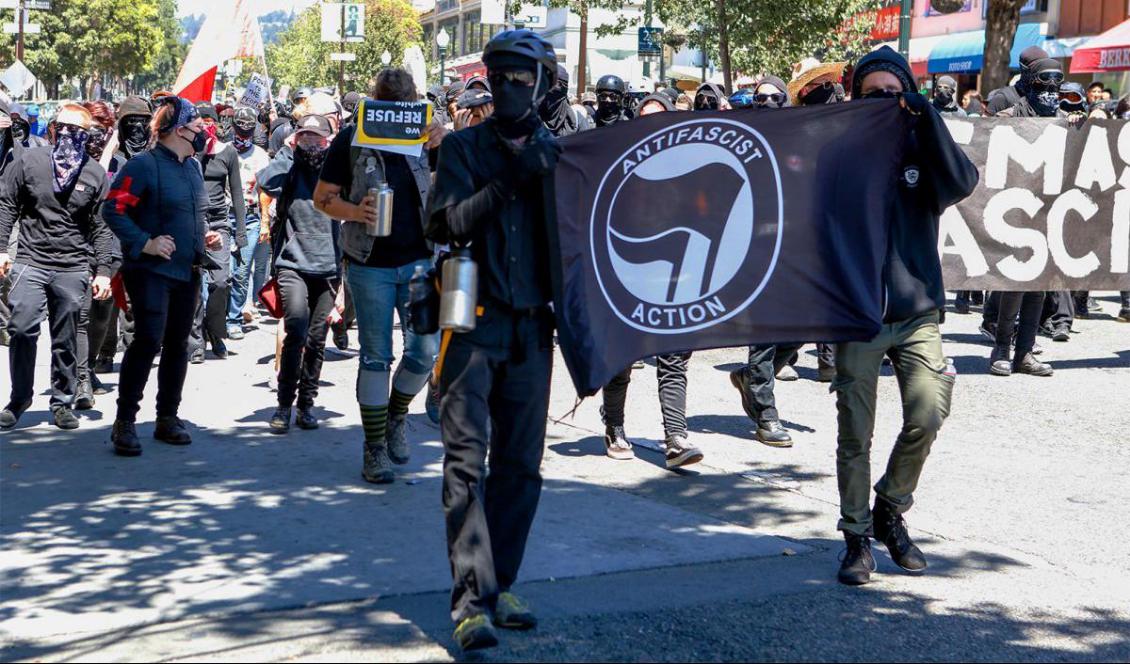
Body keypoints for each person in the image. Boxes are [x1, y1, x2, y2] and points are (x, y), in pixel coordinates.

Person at [426, 29, 561, 651]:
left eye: (522, 78)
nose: (510, 88)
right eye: (500, 76)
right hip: (473, 323)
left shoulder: (561, 154)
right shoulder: (462, 148)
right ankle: (471, 601)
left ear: (542, 82)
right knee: (465, 464)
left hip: (533, 329)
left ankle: (501, 583)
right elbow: (444, 220)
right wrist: (509, 179)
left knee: (521, 468)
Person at [834, 46, 978, 586]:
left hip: (917, 313)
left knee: (928, 413)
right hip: (858, 316)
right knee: (856, 432)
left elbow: (963, 182)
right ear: (855, 100)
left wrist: (927, 114)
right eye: (873, 96)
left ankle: (889, 510)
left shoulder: (924, 146)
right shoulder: (840, 154)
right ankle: (855, 540)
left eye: (895, 94)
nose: (886, 104)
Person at [312, 68, 443, 484]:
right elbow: (322, 199)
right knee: (375, 356)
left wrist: (445, 139)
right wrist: (356, 212)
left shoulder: (425, 135)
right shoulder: (352, 137)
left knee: (425, 351)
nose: (397, 114)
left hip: (420, 259)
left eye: (403, 107)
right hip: (369, 262)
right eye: (389, 106)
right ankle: (374, 448)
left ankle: (396, 415)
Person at [102, 96, 224, 457]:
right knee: (148, 340)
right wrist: (146, 243)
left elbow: (190, 215)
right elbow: (114, 209)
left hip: (188, 270)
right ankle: (125, 421)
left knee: (179, 344)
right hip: (150, 271)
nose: (203, 131)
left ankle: (167, 417)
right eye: (197, 126)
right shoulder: (142, 166)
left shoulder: (193, 167)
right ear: (177, 129)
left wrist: (204, 237)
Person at [0, 105, 114, 430]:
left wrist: (103, 269)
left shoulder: (93, 174)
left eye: (77, 131)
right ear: (52, 129)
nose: (68, 136)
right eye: (62, 128)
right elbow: (7, 203)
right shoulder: (29, 163)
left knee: (65, 336)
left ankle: (62, 402)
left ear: (87, 137)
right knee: (21, 328)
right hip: (30, 261)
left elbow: (101, 226)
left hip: (72, 266)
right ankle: (19, 399)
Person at [259, 114, 341, 432]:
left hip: (329, 264)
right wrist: (288, 151)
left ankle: (307, 404)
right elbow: (267, 182)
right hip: (291, 262)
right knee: (296, 329)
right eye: (304, 136)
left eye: (316, 137)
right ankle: (283, 405)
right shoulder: (289, 164)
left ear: (328, 140)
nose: (310, 142)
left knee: (317, 339)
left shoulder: (337, 167)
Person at [74, 100, 123, 406]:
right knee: (76, 314)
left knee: (103, 315)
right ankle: (77, 374)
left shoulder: (119, 163)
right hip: (74, 248)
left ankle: (89, 364)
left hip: (110, 246)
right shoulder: (68, 159)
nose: (95, 137)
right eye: (89, 130)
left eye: (102, 131)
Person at [189, 102, 246, 362]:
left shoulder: (228, 153)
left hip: (220, 223)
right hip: (192, 222)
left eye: (209, 122)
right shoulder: (189, 151)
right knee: (194, 287)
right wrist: (199, 150)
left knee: (221, 282)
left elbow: (236, 194)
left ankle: (216, 332)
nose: (206, 127)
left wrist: (241, 233)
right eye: (201, 123)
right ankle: (196, 340)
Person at [227, 106, 271, 339]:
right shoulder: (222, 151)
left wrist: (265, 221)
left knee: (243, 271)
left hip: (251, 218)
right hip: (224, 216)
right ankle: (216, 317)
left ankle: (234, 318)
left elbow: (265, 191)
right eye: (239, 126)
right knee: (224, 272)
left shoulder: (261, 156)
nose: (243, 131)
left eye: (248, 127)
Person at [986, 46, 1048, 115]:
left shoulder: (1050, 99)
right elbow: (985, 124)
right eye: (1037, 69)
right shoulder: (1003, 98)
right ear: (1024, 70)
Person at [538, 64, 590, 137]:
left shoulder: (577, 121)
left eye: (554, 84)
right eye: (544, 83)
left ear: (564, 88)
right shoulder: (529, 119)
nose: (549, 90)